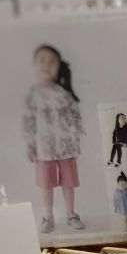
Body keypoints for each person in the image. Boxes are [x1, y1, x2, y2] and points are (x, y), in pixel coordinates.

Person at [24, 44, 84, 236]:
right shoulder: (33, 95)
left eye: (51, 62)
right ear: (34, 64)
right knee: (46, 184)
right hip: (44, 148)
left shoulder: (64, 94)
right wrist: (30, 145)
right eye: (42, 60)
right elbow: (28, 121)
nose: (46, 65)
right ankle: (48, 216)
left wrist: (75, 141)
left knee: (68, 182)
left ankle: (71, 214)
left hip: (66, 146)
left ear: (59, 66)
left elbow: (75, 117)